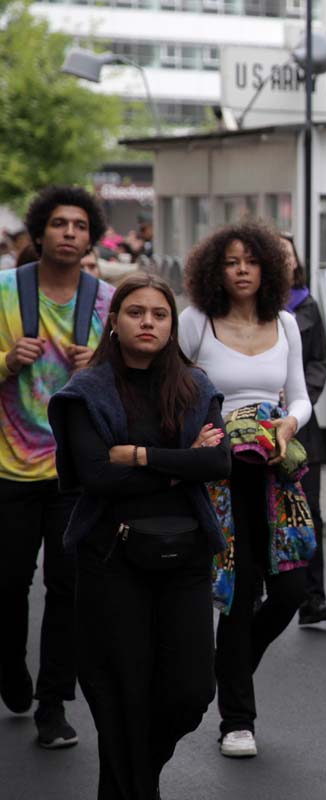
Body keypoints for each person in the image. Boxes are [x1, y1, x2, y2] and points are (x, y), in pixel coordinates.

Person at [48, 272, 231, 799]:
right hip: (111, 556)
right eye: (135, 312)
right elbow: (96, 476)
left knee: (191, 691)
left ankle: (133, 782)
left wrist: (143, 456)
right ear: (114, 323)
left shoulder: (196, 386)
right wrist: (181, 463)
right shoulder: (86, 392)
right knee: (122, 693)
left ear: (172, 326)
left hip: (186, 555)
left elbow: (218, 461)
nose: (147, 322)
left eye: (159, 314)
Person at [178, 221, 314, 758]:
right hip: (220, 475)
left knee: (292, 592)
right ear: (215, 268)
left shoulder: (285, 322)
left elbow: (301, 396)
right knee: (238, 596)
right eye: (232, 261)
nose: (241, 270)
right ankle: (238, 718)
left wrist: (289, 425)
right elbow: (174, 390)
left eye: (251, 261)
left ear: (268, 269)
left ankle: (227, 666)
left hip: (277, 473)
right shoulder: (195, 322)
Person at [0, 186, 115, 749]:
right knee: (7, 585)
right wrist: (5, 361)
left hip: (74, 472)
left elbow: (128, 384)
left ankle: (53, 706)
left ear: (90, 237)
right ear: (39, 232)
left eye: (80, 226)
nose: (70, 233)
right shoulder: (2, 291)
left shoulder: (107, 301)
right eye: (59, 224)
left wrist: (102, 368)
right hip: (8, 469)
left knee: (68, 589)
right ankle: (11, 669)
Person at [279, 233, 326, 626]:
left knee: (310, 510)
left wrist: (302, 401)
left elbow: (320, 360)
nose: (283, 259)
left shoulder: (307, 305)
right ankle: (252, 594)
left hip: (300, 423)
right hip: (254, 423)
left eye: (288, 253)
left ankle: (311, 598)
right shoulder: (243, 307)